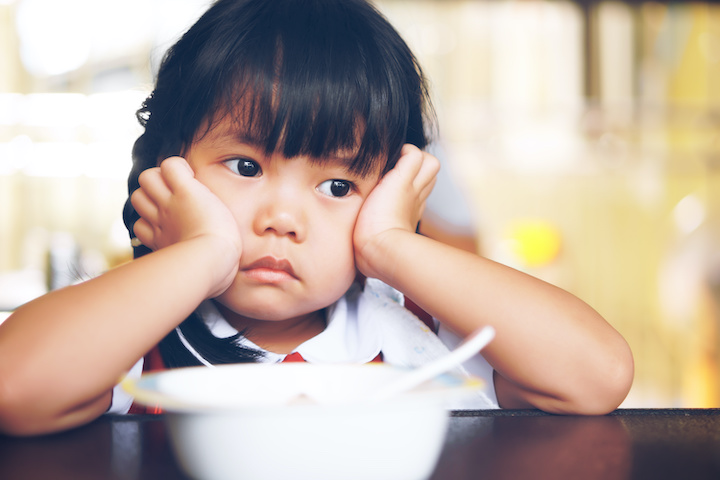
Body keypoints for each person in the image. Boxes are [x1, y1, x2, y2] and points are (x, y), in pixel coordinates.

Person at [0, 0, 633, 436]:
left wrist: (391, 243)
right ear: (168, 171)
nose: (282, 217)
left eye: (337, 184)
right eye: (245, 168)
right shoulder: (133, 335)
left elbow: (597, 376)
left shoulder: (416, 338)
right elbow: (15, 387)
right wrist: (200, 253)